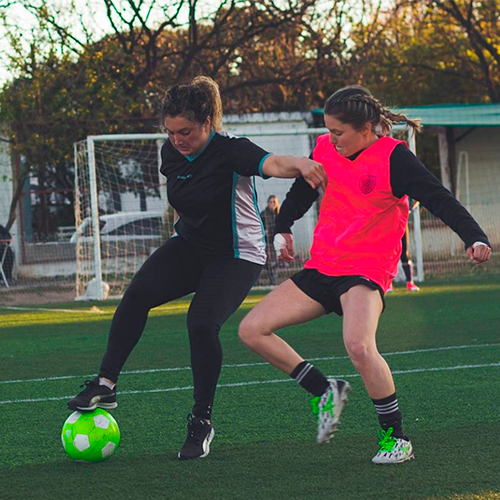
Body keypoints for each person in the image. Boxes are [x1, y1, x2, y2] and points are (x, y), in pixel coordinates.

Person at [67, 76, 326, 461]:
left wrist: (302, 164)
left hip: (238, 253)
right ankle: (106, 383)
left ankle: (201, 421)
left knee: (201, 322)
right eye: (170, 132)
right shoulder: (169, 153)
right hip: (191, 246)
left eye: (185, 131)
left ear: (207, 121)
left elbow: (271, 163)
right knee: (136, 295)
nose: (177, 139)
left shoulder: (231, 151)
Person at [238, 85, 491, 465]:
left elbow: (439, 198)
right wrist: (283, 226)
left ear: (367, 128)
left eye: (338, 132)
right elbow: (302, 192)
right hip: (324, 263)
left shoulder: (395, 158)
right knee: (251, 329)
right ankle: (325, 391)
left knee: (358, 345)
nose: (331, 139)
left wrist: (474, 236)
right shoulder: (325, 149)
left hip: (367, 267)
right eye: (329, 131)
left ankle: (396, 439)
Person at [260, 195, 280, 285]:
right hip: (267, 241)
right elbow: (259, 225)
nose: (272, 204)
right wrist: (264, 230)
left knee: (275, 261)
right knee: (267, 261)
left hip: (276, 241)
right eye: (270, 202)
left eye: (274, 202)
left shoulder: (279, 214)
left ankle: (274, 281)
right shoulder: (264, 214)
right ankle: (266, 281)